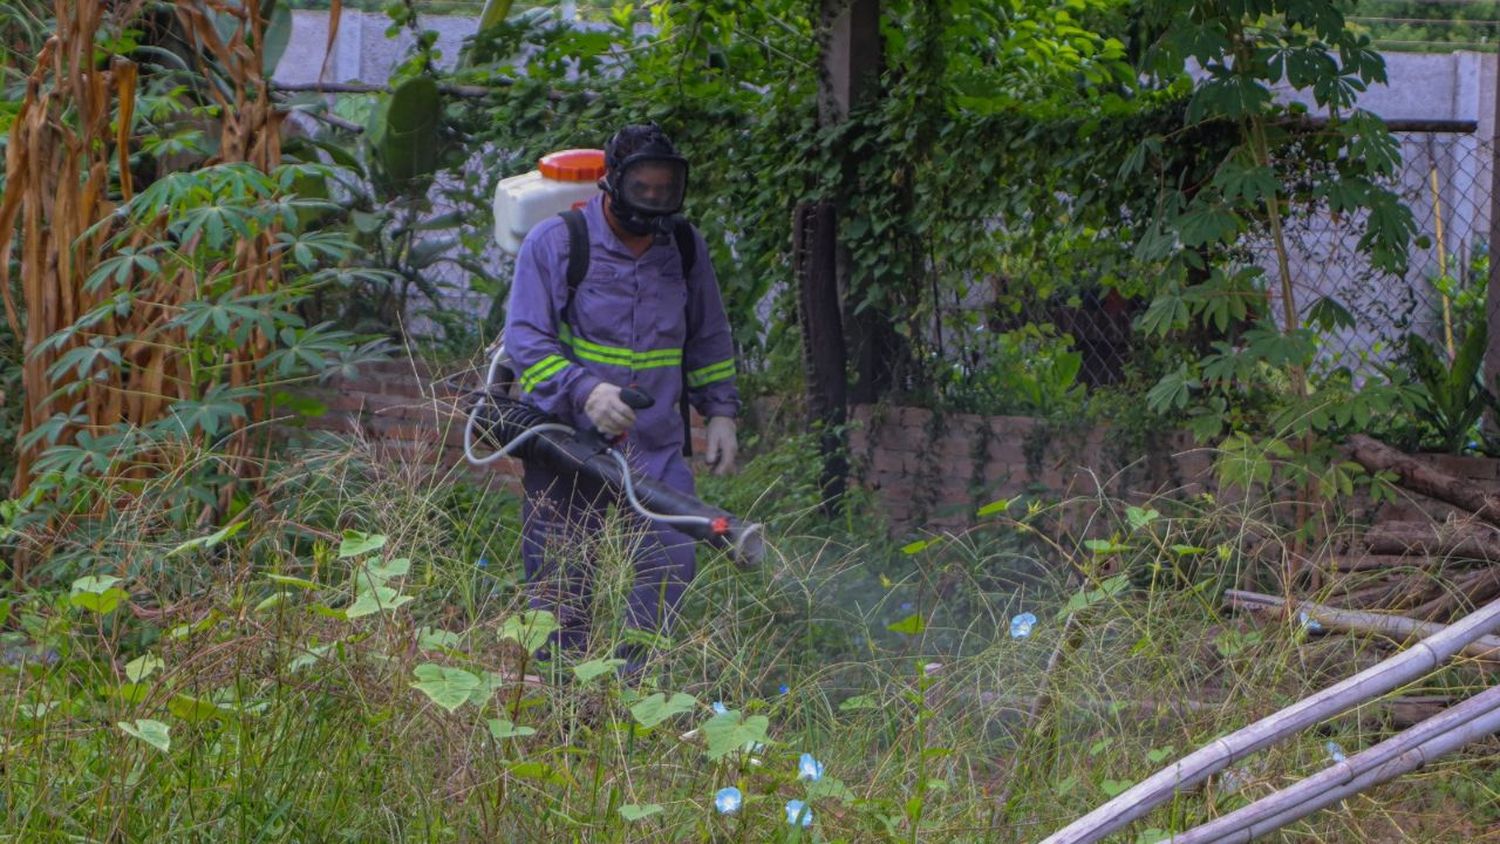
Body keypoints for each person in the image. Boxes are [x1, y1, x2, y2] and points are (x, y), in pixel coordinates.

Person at [501, 123, 740, 671]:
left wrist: (721, 411)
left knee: (669, 563)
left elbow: (709, 335)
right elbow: (526, 341)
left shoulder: (683, 246)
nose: (655, 201)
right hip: (568, 444)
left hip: (654, 448)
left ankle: (633, 695)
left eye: (666, 189)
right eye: (643, 188)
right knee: (562, 580)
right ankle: (563, 705)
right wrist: (585, 391)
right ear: (613, 182)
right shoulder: (558, 242)